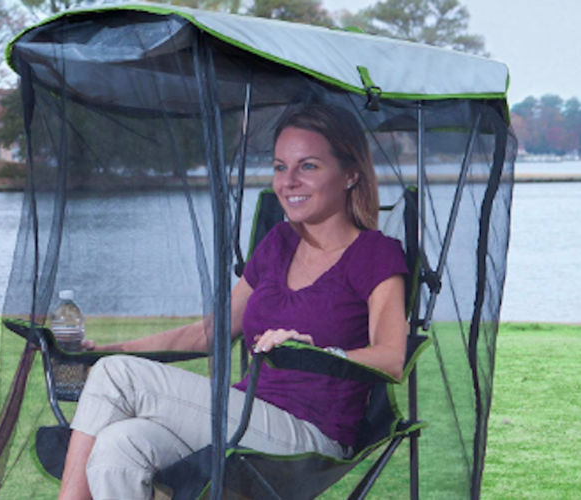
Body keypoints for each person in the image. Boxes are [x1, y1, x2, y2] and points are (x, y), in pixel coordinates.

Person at [57, 104, 410, 500]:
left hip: (311, 437)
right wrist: (107, 351)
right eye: (280, 167)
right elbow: (210, 333)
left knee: (116, 377)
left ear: (351, 174)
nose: (288, 182)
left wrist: (319, 351)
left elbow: (392, 358)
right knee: (119, 446)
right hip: (245, 414)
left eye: (307, 166)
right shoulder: (278, 243)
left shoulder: (376, 254)